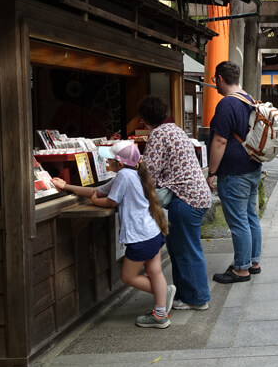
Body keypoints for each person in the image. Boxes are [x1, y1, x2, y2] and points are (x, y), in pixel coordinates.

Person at [52, 140, 175, 328]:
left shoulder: (123, 176)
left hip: (140, 237)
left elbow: (110, 201)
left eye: (109, 160)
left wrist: (95, 202)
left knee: (128, 276)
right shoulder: (134, 173)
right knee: (154, 271)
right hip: (152, 232)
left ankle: (162, 302)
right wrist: (67, 186)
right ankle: (160, 310)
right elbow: (96, 191)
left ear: (119, 163)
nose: (106, 163)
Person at [138, 95, 212, 311]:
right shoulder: (176, 129)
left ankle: (197, 298)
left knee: (185, 250)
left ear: (145, 120)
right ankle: (186, 294)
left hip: (185, 198)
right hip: (196, 195)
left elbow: (148, 172)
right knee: (184, 248)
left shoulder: (158, 134)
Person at [207, 61, 262, 284]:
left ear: (220, 78)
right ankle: (253, 262)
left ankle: (241, 269)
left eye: (215, 80)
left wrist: (211, 172)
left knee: (239, 221)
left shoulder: (226, 104)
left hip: (234, 172)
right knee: (250, 217)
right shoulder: (249, 100)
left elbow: (220, 141)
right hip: (252, 167)